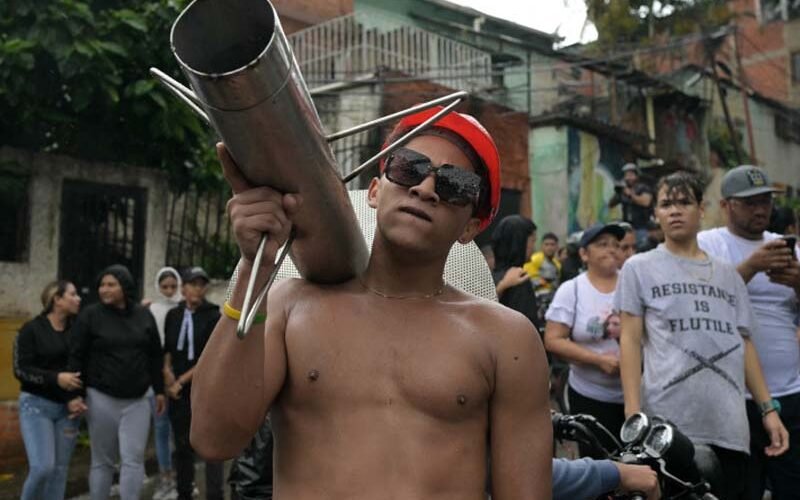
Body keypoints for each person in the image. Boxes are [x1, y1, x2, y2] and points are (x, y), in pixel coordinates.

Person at [190, 107, 553, 499]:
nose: (425, 188)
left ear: (471, 226)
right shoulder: (290, 305)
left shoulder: (507, 339)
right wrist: (254, 264)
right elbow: (213, 439)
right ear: (377, 191)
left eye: (454, 185)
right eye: (409, 167)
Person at [615, 171, 789, 500]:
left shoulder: (728, 275)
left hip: (730, 424)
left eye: (684, 202)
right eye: (666, 204)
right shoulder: (639, 267)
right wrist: (633, 413)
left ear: (702, 209)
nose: (675, 210)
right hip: (668, 427)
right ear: (655, 214)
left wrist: (769, 411)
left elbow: (745, 344)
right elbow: (630, 341)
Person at [696, 165, 800, 500]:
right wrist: (751, 267)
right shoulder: (709, 244)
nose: (760, 209)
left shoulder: (788, 247)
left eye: (766, 201)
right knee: (742, 490)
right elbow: (704, 303)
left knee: (792, 486)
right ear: (725, 206)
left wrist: (798, 283)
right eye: (749, 202)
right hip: (733, 396)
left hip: (791, 390)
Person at [68, 264, 166, 500]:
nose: (104, 289)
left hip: (138, 400)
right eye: (102, 285)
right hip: (101, 398)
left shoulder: (143, 315)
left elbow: (155, 354)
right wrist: (75, 395)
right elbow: (76, 355)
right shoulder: (91, 316)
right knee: (102, 462)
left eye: (111, 284)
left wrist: (159, 390)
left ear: (125, 286)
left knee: (132, 460)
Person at [544, 223, 626, 450]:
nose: (611, 250)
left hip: (635, 397)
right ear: (583, 253)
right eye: (602, 245)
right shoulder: (573, 290)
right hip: (590, 395)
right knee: (600, 464)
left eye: (616, 245)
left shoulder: (632, 283)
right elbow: (553, 340)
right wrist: (599, 360)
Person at [13, 281, 87, 500]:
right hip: (37, 406)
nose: (78, 298)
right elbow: (21, 370)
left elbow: (82, 367)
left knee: (60, 471)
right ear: (57, 299)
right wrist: (56, 379)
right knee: (43, 467)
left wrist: (75, 397)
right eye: (72, 294)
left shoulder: (77, 330)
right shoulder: (31, 329)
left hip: (69, 410)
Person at [163, 267, 223, 500]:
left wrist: (181, 381)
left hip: (204, 390)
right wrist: (167, 372)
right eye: (193, 284)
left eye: (201, 284)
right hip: (177, 392)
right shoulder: (174, 315)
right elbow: (167, 348)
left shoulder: (213, 316)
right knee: (182, 445)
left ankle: (215, 495)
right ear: (183, 288)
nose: (198, 289)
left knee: (210, 447)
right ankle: (184, 492)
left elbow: (210, 357)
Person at [145, 267, 182, 498]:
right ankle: (165, 475)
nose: (168, 291)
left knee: (179, 430)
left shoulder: (184, 308)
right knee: (160, 429)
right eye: (164, 286)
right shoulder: (151, 310)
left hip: (180, 375)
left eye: (172, 286)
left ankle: (182, 475)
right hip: (156, 375)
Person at [492, 215, 539, 328]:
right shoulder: (519, 278)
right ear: (520, 242)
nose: (534, 247)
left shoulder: (488, 274)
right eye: (532, 241)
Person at [608, 163, 653, 246]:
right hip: (627, 229)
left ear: (636, 176)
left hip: (640, 228)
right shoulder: (623, 190)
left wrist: (630, 194)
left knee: (642, 250)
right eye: (626, 175)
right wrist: (617, 193)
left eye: (631, 175)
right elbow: (611, 204)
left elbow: (646, 202)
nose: (628, 177)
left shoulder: (643, 188)